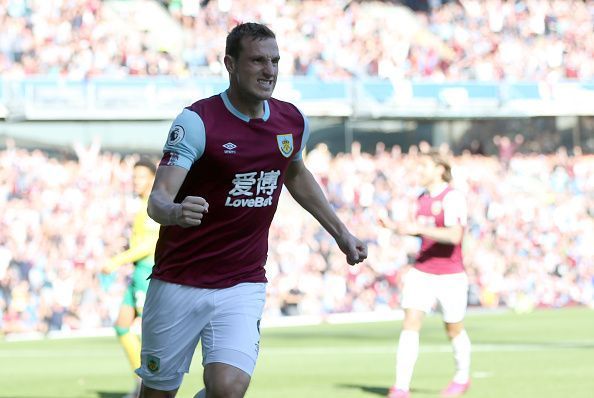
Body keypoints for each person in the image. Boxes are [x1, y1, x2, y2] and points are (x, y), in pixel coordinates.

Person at [135, 22, 368, 398]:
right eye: (258, 60)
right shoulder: (197, 122)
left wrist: (341, 232)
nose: (270, 70)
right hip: (179, 280)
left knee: (228, 389)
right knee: (158, 392)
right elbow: (158, 199)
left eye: (275, 61)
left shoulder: (291, 122)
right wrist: (176, 212)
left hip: (242, 281)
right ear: (230, 64)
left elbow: (296, 174)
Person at [380, 151, 471, 398]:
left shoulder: (452, 198)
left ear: (440, 169)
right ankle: (400, 387)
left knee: (453, 328)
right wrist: (396, 228)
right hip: (422, 271)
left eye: (423, 166)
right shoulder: (421, 198)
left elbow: (454, 236)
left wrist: (419, 228)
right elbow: (422, 232)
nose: (418, 171)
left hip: (450, 274)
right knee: (410, 323)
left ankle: (462, 378)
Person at [102, 158, 159, 398]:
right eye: (134, 177)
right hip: (138, 272)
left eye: (141, 177)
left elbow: (149, 244)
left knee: (150, 336)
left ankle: (150, 386)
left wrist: (117, 260)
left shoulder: (154, 204)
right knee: (122, 326)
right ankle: (141, 381)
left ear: (152, 179)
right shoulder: (142, 204)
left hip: (147, 272)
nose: (136, 182)